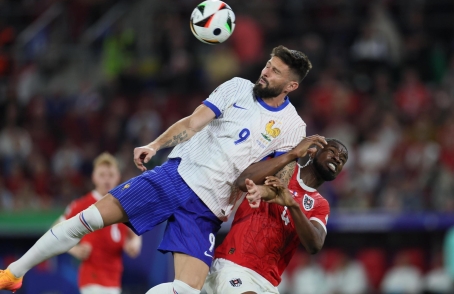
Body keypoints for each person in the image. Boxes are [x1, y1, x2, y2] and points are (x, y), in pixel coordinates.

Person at [0, 45, 313, 294]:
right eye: (268, 65)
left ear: (292, 84)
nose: (266, 72)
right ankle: (14, 273)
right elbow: (192, 123)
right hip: (173, 177)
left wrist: (265, 188)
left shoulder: (292, 128)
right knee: (88, 219)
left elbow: (278, 182)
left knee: (187, 291)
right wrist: (155, 145)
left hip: (208, 209)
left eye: (275, 71)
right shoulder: (236, 88)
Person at [200, 138, 349, 294]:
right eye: (332, 151)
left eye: (343, 160)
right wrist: (291, 155)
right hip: (234, 265)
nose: (337, 159)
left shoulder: (320, 205)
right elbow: (243, 181)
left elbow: (315, 245)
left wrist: (292, 205)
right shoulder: (283, 165)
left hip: (268, 283)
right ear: (313, 152)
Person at [56, 152, 142, 294]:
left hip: (114, 279)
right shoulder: (82, 205)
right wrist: (74, 249)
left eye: (111, 175)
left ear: (118, 177)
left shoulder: (124, 205)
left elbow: (135, 233)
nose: (106, 180)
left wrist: (135, 244)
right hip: (92, 278)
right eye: (102, 175)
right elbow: (56, 229)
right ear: (94, 177)